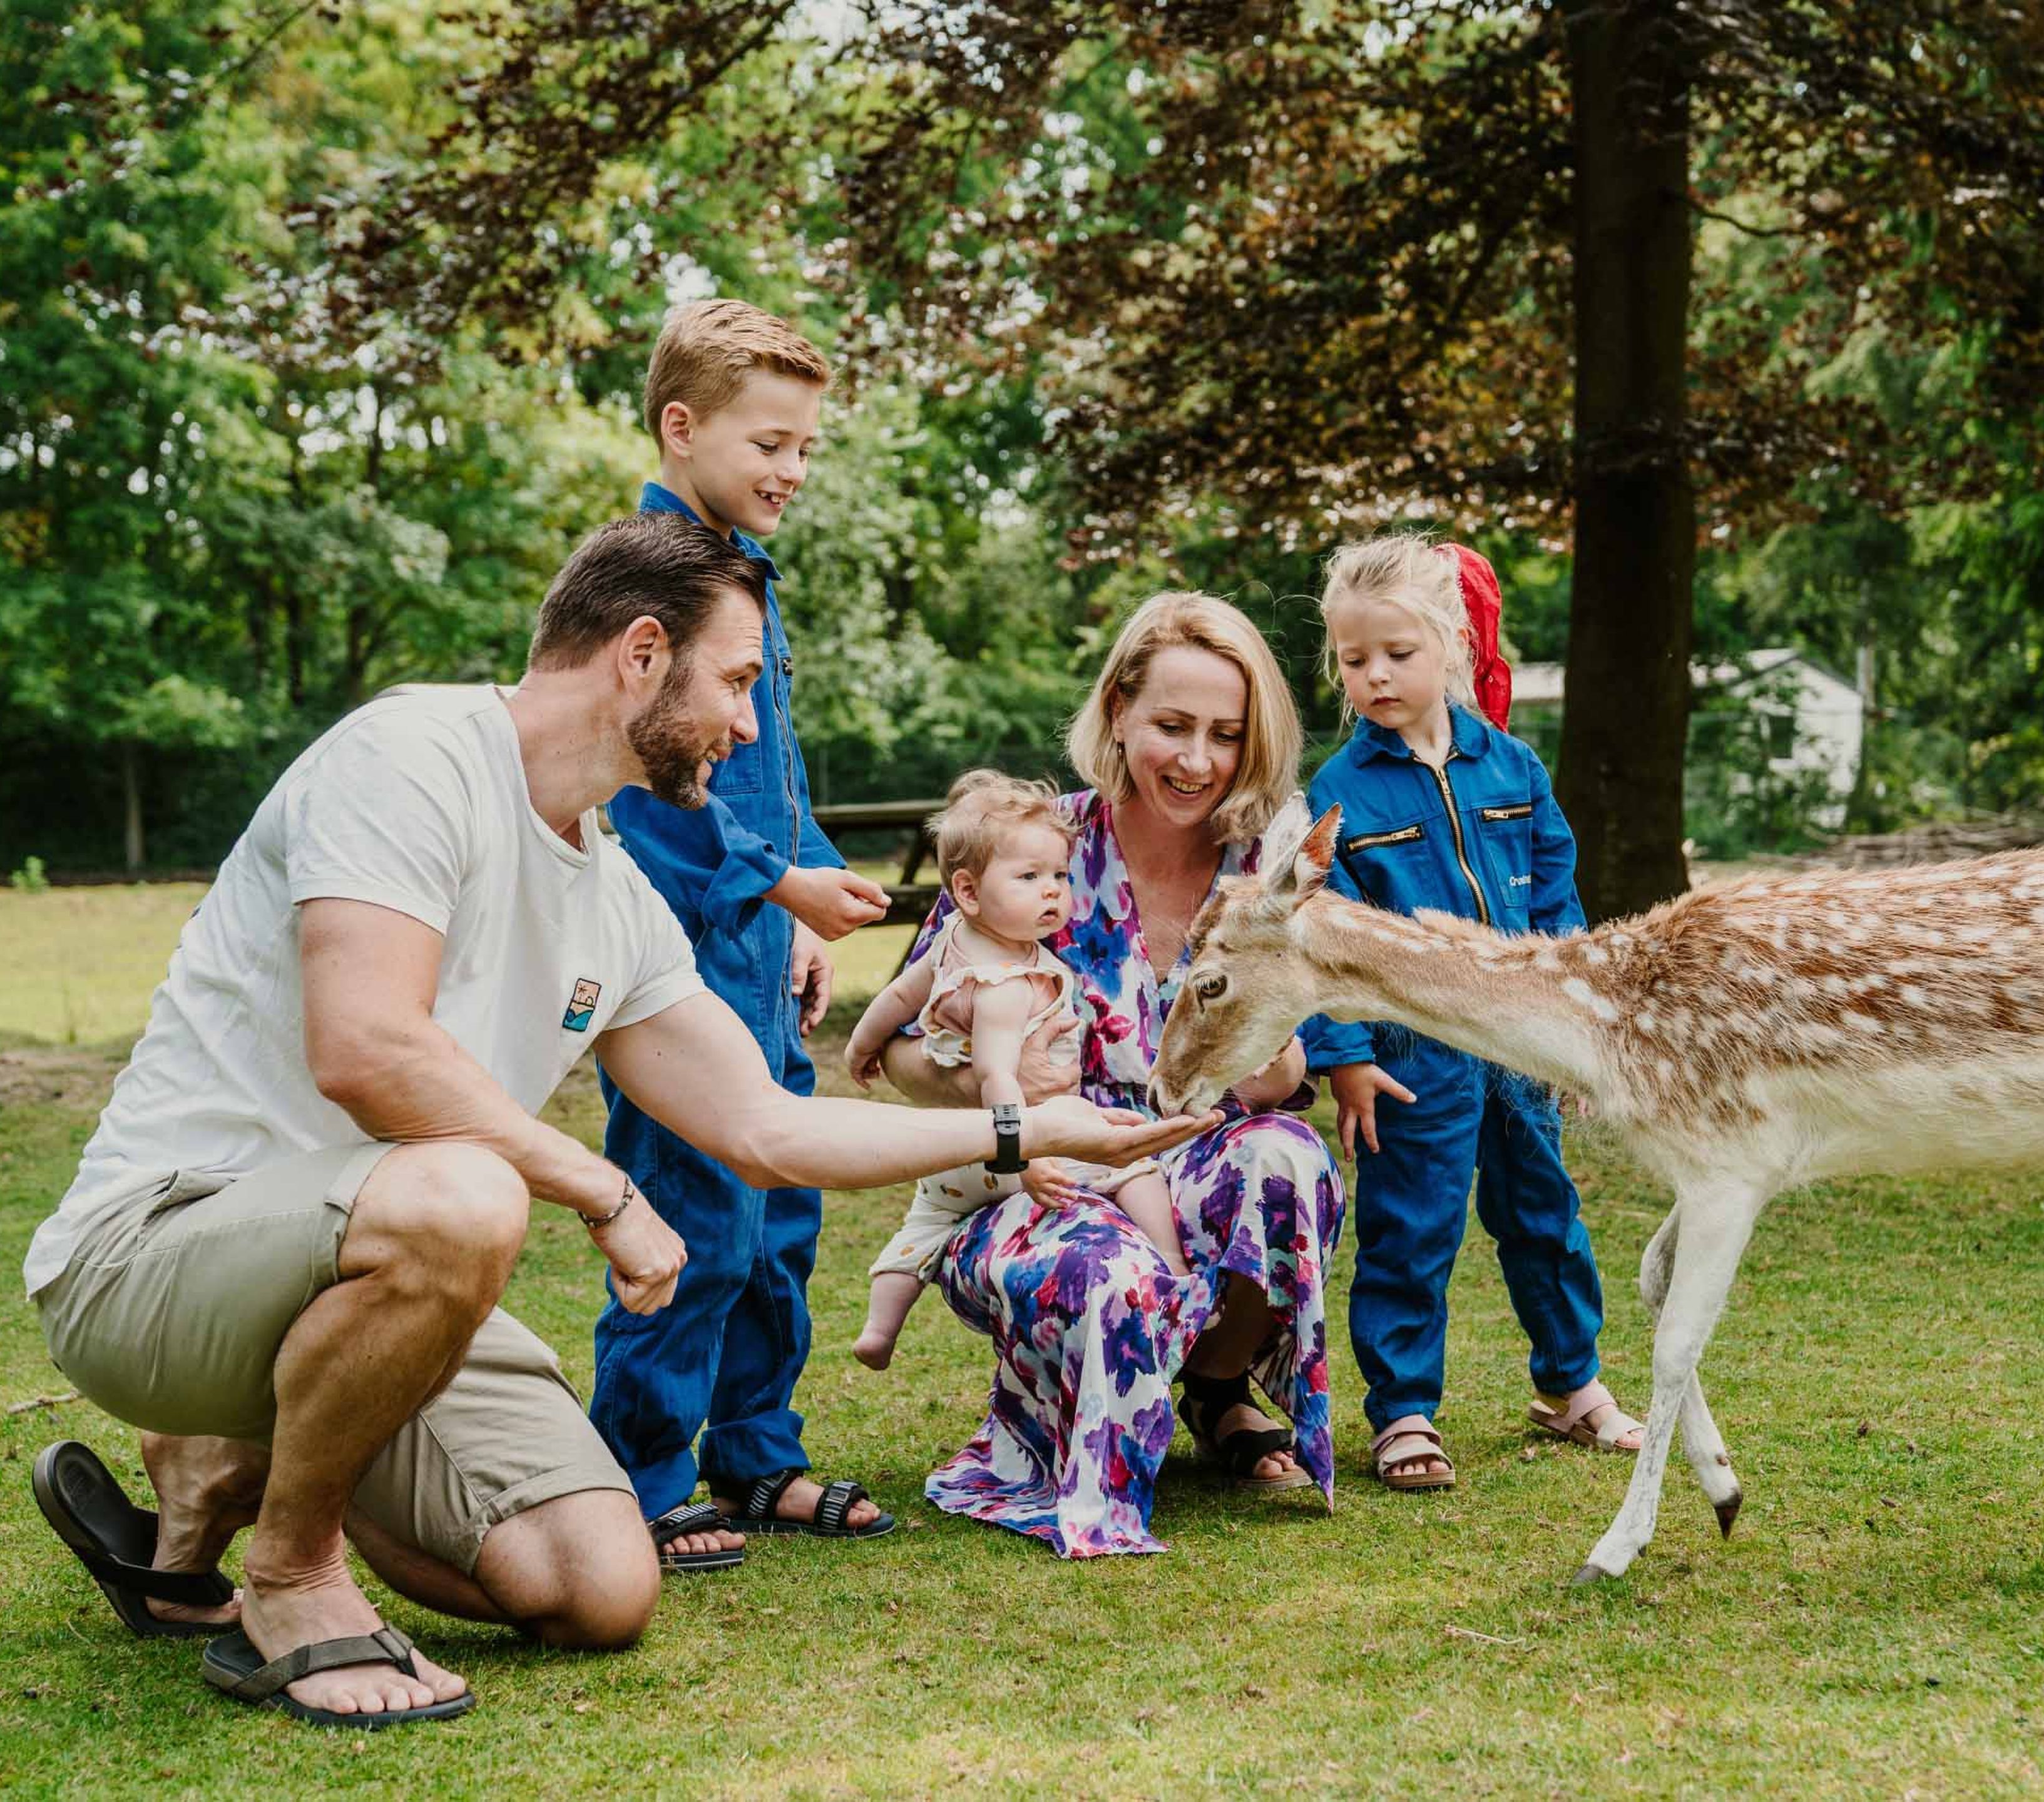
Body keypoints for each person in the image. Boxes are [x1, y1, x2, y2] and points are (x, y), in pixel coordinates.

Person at [23, 515, 1209, 1728]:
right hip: (155, 1254)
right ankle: (290, 1578)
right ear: (642, 654)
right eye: (736, 683)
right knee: (468, 1193)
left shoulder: (614, 892)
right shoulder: (410, 757)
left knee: (599, 1586)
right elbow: (367, 1048)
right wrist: (605, 1189)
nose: (749, 726)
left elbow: (766, 1128)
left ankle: (234, 1461)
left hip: (373, 1267)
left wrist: (1029, 1135)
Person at [857, 591, 1346, 1557]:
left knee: (1288, 1158)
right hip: (1037, 1169)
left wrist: (1274, 1060)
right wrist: (1015, 1099)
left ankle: (1215, 1385)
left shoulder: (1265, 870)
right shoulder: (1034, 848)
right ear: (1119, 710)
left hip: (1186, 1156)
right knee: (1111, 1264)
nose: (1197, 760)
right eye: (1173, 726)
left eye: (1226, 735)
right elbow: (903, 1053)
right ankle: (1066, 1438)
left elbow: (1291, 1069)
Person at [588, 300, 894, 1567]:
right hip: (677, 969)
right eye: (771, 442)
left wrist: (802, 905)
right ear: (681, 425)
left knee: (781, 1225)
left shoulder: (745, 572)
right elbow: (647, 793)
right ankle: (641, 1480)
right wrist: (781, 889)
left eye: (807, 447)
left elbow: (779, 766)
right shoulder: (640, 582)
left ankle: (758, 1456)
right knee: (695, 1224)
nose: (794, 468)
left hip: (766, 960)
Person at [1300, 534, 1642, 1492]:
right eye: (1354, 659)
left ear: (1453, 644)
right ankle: (1404, 1410)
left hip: (1523, 1043)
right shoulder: (1339, 793)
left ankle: (1571, 1385)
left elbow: (1558, 901)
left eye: (1397, 653)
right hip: (1414, 1057)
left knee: (1544, 1214)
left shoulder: (1515, 769)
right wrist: (1345, 1057)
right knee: (1411, 1230)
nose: (1375, 676)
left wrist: (1576, 1028)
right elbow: (1320, 936)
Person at [847, 773, 1188, 1370]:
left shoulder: (951, 941)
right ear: (968, 890)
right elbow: (997, 1078)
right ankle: (1175, 1268)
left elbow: (898, 998)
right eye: (1029, 878)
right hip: (1014, 1142)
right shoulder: (1010, 985)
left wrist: (861, 1046)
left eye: (1060, 875)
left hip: (954, 1149)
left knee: (925, 1223)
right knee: (1131, 1160)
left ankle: (880, 1329)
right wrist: (1022, 1157)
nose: (1053, 891)